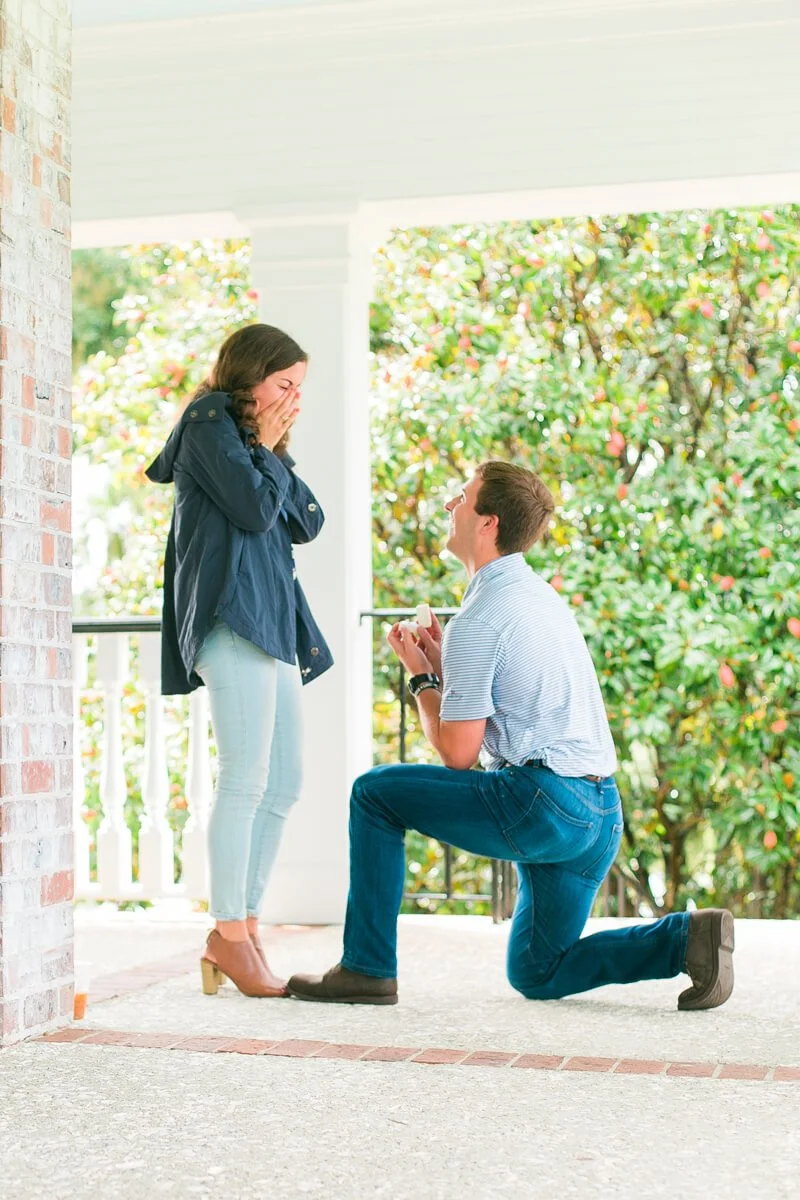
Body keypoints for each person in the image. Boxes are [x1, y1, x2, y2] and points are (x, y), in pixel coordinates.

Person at [288, 461, 734, 1010]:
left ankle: (365, 968)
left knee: (374, 795)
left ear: (488, 523)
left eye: (462, 498)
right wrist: (440, 665)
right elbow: (502, 702)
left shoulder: (479, 617)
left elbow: (457, 752)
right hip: (598, 814)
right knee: (537, 970)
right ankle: (686, 939)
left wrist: (422, 678)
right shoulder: (536, 596)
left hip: (544, 804)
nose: (451, 505)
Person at [146, 323, 332, 998]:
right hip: (232, 618)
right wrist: (270, 449)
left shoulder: (255, 442)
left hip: (273, 624)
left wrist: (273, 445)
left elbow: (307, 522)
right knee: (245, 781)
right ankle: (227, 932)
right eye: (284, 385)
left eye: (300, 390)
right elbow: (258, 512)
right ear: (249, 376)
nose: (293, 401)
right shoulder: (207, 424)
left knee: (284, 781)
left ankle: (244, 924)